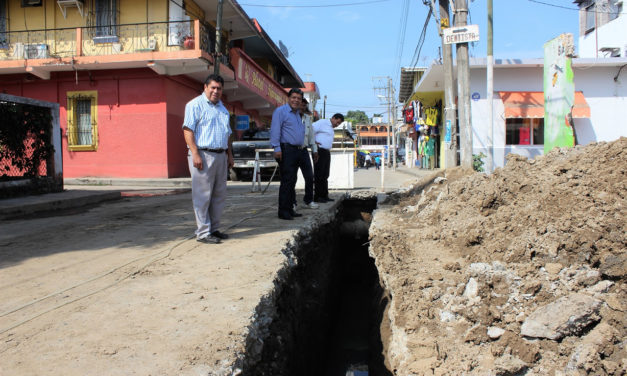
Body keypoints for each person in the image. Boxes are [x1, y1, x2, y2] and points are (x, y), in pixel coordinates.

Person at [182, 74, 234, 244]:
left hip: (220, 155)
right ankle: (203, 232)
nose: (216, 91)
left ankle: (214, 228)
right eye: (212, 87)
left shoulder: (223, 109)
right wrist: (195, 153)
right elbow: (188, 130)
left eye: (219, 88)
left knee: (218, 195)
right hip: (203, 155)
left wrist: (230, 155)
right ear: (205, 87)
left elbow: (228, 134)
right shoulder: (194, 105)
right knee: (202, 196)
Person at [270, 88, 307, 220]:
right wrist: (276, 148)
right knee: (286, 181)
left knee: (292, 181)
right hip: (286, 150)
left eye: (299, 98)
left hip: (297, 150)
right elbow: (275, 130)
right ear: (288, 98)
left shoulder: (297, 114)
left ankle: (290, 208)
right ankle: (283, 211)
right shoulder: (281, 111)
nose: (296, 100)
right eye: (294, 97)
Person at [312, 113, 344, 203]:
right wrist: (313, 142)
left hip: (326, 151)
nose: (337, 125)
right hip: (319, 151)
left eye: (339, 124)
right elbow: (310, 130)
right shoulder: (322, 122)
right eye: (336, 122)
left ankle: (324, 195)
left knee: (325, 174)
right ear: (333, 118)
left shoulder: (330, 128)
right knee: (319, 174)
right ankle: (318, 196)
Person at [295, 98, 319, 210]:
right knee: (291, 178)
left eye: (304, 105)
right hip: (292, 150)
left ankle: (308, 200)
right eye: (300, 104)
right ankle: (292, 202)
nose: (302, 107)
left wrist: (315, 151)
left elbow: (311, 137)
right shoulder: (290, 117)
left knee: (309, 177)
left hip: (304, 150)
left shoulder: (308, 119)